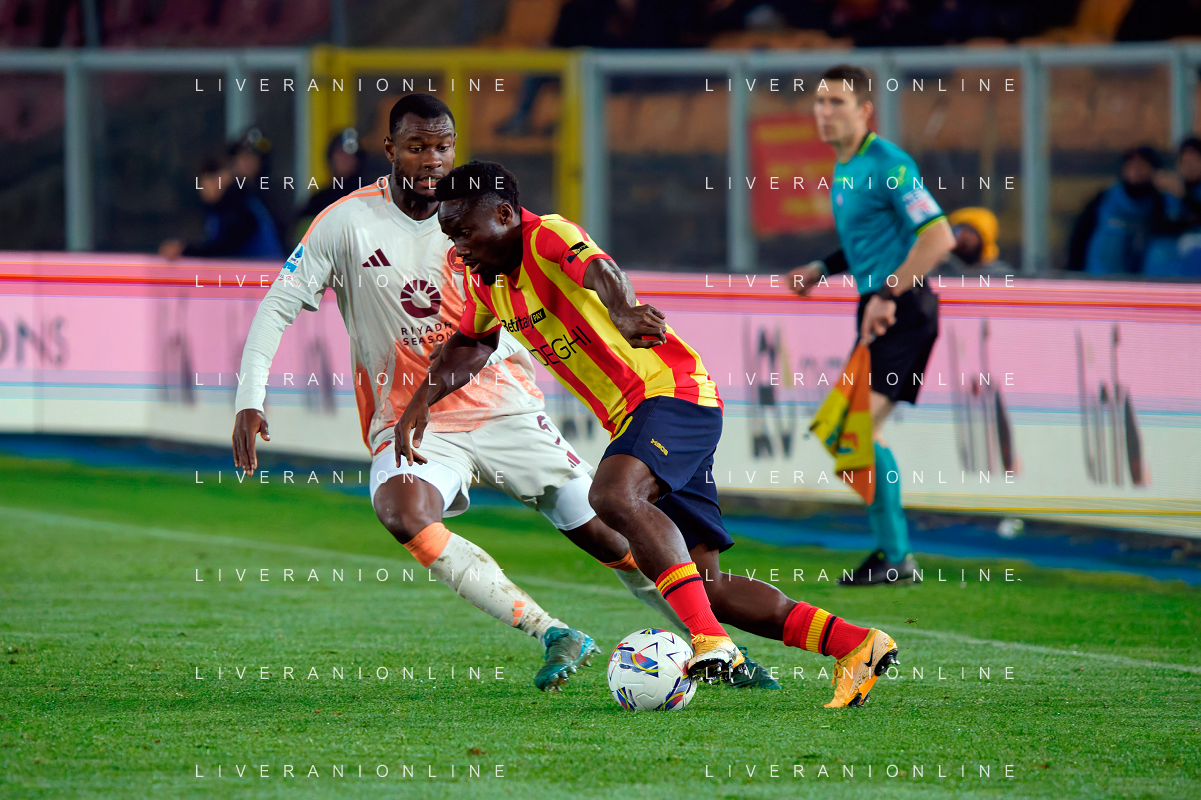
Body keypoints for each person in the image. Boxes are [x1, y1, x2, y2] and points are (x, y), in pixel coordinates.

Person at [229, 94, 741, 693]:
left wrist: (617, 309)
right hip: (415, 421)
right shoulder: (346, 223)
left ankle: (718, 650)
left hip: (506, 408)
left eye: (442, 146)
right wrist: (250, 396)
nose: (431, 160)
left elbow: (564, 267)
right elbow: (279, 304)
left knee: (612, 536)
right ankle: (553, 631)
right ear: (390, 150)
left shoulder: (483, 213)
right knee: (402, 512)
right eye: (416, 147)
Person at [395, 160, 900, 707]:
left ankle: (711, 642)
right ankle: (857, 645)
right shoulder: (487, 281)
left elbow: (599, 269)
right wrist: (419, 403)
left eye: (463, 231)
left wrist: (623, 311)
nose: (458, 248)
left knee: (612, 495)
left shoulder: (546, 235)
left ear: (503, 214)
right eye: (449, 235)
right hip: (640, 416)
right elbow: (472, 344)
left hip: (671, 393)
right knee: (710, 588)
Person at [787, 65, 955, 586]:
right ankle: (894, 554)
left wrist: (888, 294)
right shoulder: (847, 167)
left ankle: (897, 556)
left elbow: (938, 238)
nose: (825, 112)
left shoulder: (889, 164)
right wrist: (822, 266)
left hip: (903, 310)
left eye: (837, 102)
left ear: (864, 110)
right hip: (878, 308)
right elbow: (868, 240)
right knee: (849, 435)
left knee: (854, 433)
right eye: (820, 102)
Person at [1067, 146, 1175, 275]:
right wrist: (1074, 272)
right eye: (1131, 165)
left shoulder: (1158, 202)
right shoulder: (1106, 198)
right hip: (1099, 274)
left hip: (1139, 278)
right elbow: (1080, 235)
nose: (1135, 170)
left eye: (1141, 165)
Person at [159, 153, 284, 260]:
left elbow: (223, 249)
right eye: (202, 183)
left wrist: (184, 249)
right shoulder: (218, 210)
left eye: (213, 179)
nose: (205, 188)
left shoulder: (241, 207)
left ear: (226, 177)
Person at [930, 207, 1015, 280]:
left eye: (971, 232)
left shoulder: (1001, 274)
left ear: (986, 237)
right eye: (959, 231)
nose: (965, 237)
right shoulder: (942, 271)